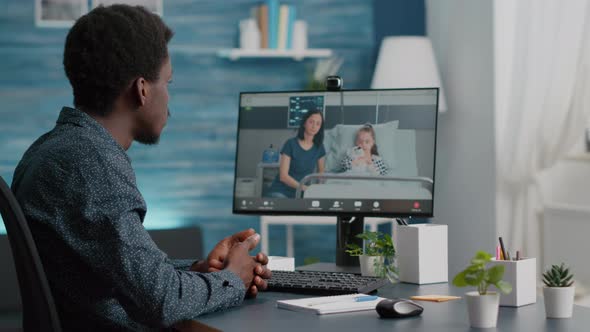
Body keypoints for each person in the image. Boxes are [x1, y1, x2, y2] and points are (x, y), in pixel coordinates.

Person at [10, 5, 271, 331]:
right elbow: (163, 302)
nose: (169, 102)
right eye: (169, 83)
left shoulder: (53, 150)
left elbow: (123, 272)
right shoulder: (92, 167)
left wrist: (200, 272)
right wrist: (234, 278)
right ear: (142, 89)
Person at [267, 110, 326, 198]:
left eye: (318, 124)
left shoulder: (319, 147)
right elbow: (283, 176)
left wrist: (318, 189)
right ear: (304, 123)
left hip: (302, 193)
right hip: (281, 191)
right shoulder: (290, 144)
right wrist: (305, 188)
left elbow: (321, 172)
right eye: (311, 122)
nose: (314, 126)